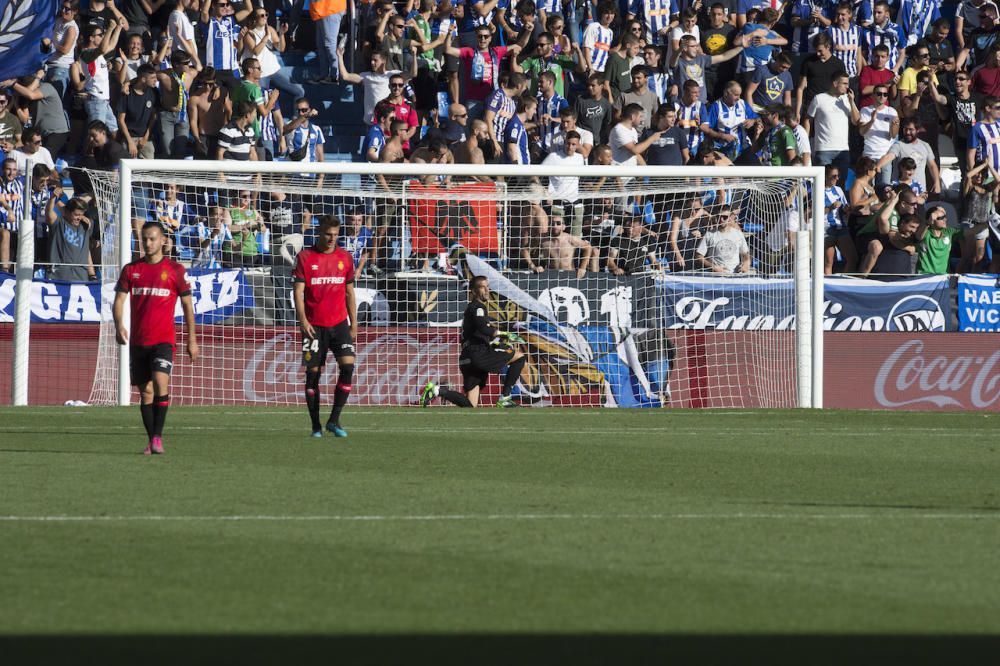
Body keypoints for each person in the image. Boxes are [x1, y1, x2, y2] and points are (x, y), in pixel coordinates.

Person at [113, 221, 198, 455]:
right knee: (146, 392)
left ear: (163, 241)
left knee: (161, 383)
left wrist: (192, 339)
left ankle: (158, 437)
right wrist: (118, 325)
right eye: (144, 239)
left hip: (163, 341)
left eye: (152, 239)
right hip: (139, 342)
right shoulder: (131, 269)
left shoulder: (175, 270)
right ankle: (152, 440)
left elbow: (188, 307)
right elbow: (119, 300)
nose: (148, 243)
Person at [293, 215, 358, 438]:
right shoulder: (305, 257)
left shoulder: (345, 258)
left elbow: (349, 292)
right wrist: (302, 320)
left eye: (335, 235)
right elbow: (298, 292)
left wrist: (354, 323)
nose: (331, 239)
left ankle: (334, 420)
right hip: (314, 327)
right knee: (313, 375)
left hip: (339, 323)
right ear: (319, 233)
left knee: (348, 367)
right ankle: (315, 427)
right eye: (328, 234)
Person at [419, 275, 527, 408]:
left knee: (470, 405)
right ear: (473, 291)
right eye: (483, 287)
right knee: (519, 358)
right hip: (478, 354)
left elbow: (477, 333)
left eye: (488, 286)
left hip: (466, 358)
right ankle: (505, 397)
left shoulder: (471, 310)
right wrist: (506, 334)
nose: (487, 290)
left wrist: (494, 342)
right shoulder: (478, 307)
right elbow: (484, 328)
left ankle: (436, 390)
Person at [804, 72, 859, 172]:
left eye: (848, 84)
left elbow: (856, 121)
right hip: (824, 149)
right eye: (844, 84)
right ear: (835, 84)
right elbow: (808, 119)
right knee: (822, 182)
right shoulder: (819, 99)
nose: (847, 87)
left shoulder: (846, 100)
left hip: (843, 149)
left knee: (841, 182)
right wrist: (806, 140)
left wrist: (852, 102)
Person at [695, 205, 751, 274]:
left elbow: (745, 254)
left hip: (735, 275)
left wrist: (746, 263)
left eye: (724, 217)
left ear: (730, 218)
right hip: (715, 276)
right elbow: (699, 256)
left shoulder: (738, 234)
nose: (721, 220)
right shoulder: (709, 234)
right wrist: (713, 267)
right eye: (719, 217)